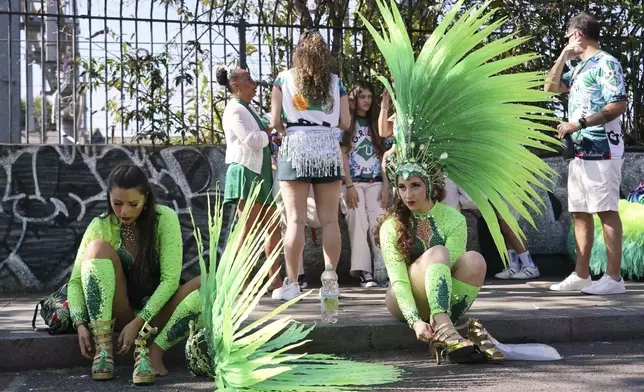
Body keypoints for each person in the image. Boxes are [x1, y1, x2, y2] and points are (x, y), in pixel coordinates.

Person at [67, 164, 200, 384]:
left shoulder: (164, 219)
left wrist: (139, 323)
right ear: (108, 198)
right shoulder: (100, 225)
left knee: (210, 280)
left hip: (156, 315)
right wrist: (80, 323)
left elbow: (170, 281)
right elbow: (75, 281)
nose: (124, 212)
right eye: (117, 204)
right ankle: (104, 351)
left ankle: (154, 351)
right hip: (119, 314)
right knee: (97, 248)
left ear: (146, 198)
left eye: (133, 204)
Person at [544, 12, 628, 294]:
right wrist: (561, 58)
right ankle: (582, 275)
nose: (566, 41)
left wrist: (578, 123)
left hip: (602, 147)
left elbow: (618, 105)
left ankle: (614, 278)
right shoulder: (579, 68)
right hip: (579, 150)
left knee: (605, 210)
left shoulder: (606, 63)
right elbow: (550, 87)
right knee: (579, 212)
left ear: (577, 35)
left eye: (568, 37)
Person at [269, 30, 350, 301]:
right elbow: (345, 123)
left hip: (296, 146)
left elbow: (274, 121)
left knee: (295, 220)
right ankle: (330, 282)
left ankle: (291, 283)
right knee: (330, 220)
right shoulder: (336, 82)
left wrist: (287, 127)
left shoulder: (283, 78)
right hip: (327, 146)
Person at [218, 66, 283, 291]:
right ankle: (234, 282)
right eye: (249, 80)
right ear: (235, 85)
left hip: (261, 173)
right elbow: (252, 141)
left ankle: (275, 282)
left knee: (273, 225)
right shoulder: (235, 110)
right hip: (246, 172)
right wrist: (269, 130)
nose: (254, 85)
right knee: (247, 229)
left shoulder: (248, 108)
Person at [340, 82, 389, 286]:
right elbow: (342, 155)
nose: (367, 100)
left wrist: (387, 185)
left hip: (376, 181)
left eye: (369, 96)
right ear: (354, 99)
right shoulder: (347, 123)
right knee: (358, 222)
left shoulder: (375, 123)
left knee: (380, 221)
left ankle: (383, 268)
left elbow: (382, 155)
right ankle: (363, 271)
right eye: (362, 96)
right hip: (353, 183)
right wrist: (349, 186)